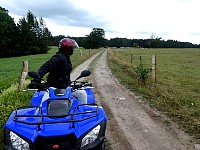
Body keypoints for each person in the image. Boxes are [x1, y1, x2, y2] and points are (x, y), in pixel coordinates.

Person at [37, 37, 87, 104]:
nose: (73, 50)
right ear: (68, 49)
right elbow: (46, 67)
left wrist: (69, 83)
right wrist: (37, 78)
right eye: (72, 48)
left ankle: (81, 111)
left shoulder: (65, 57)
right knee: (42, 104)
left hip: (65, 87)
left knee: (82, 93)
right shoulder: (58, 57)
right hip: (53, 88)